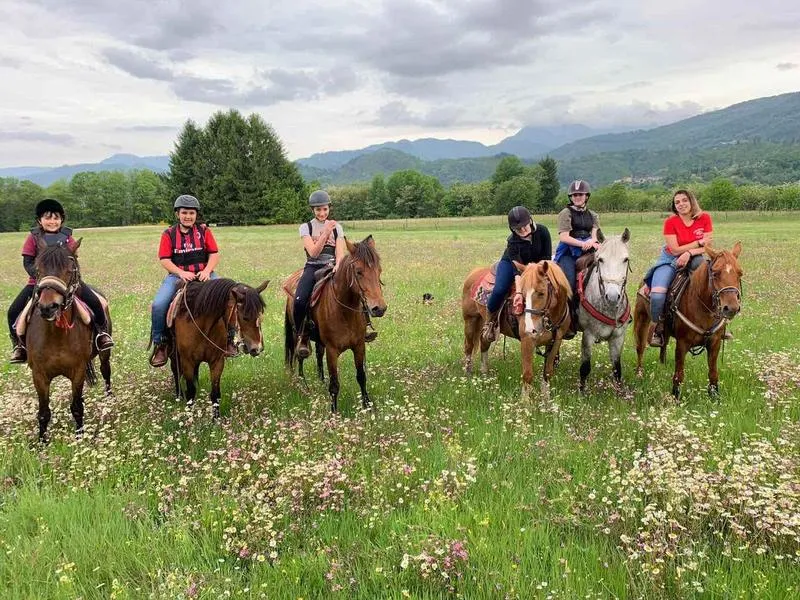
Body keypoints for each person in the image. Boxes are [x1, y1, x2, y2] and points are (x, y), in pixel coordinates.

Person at [7, 198, 114, 363]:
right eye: (47, 218)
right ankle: (19, 346)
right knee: (13, 311)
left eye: (56, 218)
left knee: (96, 303)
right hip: (38, 283)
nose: (52, 221)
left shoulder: (68, 238)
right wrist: (41, 277)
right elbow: (27, 262)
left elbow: (73, 261)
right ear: (39, 220)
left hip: (66, 283)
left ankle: (101, 334)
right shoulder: (33, 238)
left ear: (61, 220)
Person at [149, 194, 236, 367]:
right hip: (177, 276)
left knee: (228, 298)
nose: (188, 216)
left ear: (196, 215)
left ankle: (229, 339)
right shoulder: (169, 234)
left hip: (205, 274)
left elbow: (214, 254)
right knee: (158, 305)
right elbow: (165, 259)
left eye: (191, 213)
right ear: (177, 214)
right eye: (184, 213)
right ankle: (161, 343)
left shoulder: (204, 231)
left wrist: (207, 271)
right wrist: (181, 272)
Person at [642, 189, 727, 347]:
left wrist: (689, 252)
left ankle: (718, 324)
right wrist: (698, 243)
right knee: (658, 295)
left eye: (684, 200)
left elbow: (707, 247)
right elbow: (674, 250)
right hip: (670, 259)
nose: (681, 204)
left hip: (695, 257)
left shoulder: (704, 218)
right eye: (677, 202)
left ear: (692, 201)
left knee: (712, 283)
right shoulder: (670, 222)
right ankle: (658, 327)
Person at [481, 206, 552, 343]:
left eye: (525, 226)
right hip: (512, 265)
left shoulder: (543, 231)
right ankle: (489, 322)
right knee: (500, 289)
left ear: (530, 221)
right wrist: (519, 293)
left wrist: (537, 272)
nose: (523, 230)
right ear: (512, 229)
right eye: (518, 229)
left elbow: (547, 258)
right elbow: (517, 272)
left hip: (537, 266)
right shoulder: (512, 241)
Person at [293, 190, 346, 359]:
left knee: (355, 289)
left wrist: (338, 265)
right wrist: (326, 232)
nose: (322, 213)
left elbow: (340, 253)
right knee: (299, 300)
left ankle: (361, 327)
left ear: (329, 208)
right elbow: (314, 253)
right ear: (313, 210)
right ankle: (302, 336)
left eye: (325, 209)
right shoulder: (306, 227)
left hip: (332, 266)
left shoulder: (338, 227)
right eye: (318, 210)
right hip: (313, 267)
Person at [554, 180, 601, 337]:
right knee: (569, 284)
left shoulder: (593, 215)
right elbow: (564, 237)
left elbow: (595, 235)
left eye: (580, 194)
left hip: (588, 249)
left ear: (586, 196)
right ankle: (568, 321)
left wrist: (592, 242)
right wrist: (582, 244)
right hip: (568, 252)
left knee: (606, 271)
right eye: (574, 195)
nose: (577, 197)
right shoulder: (565, 213)